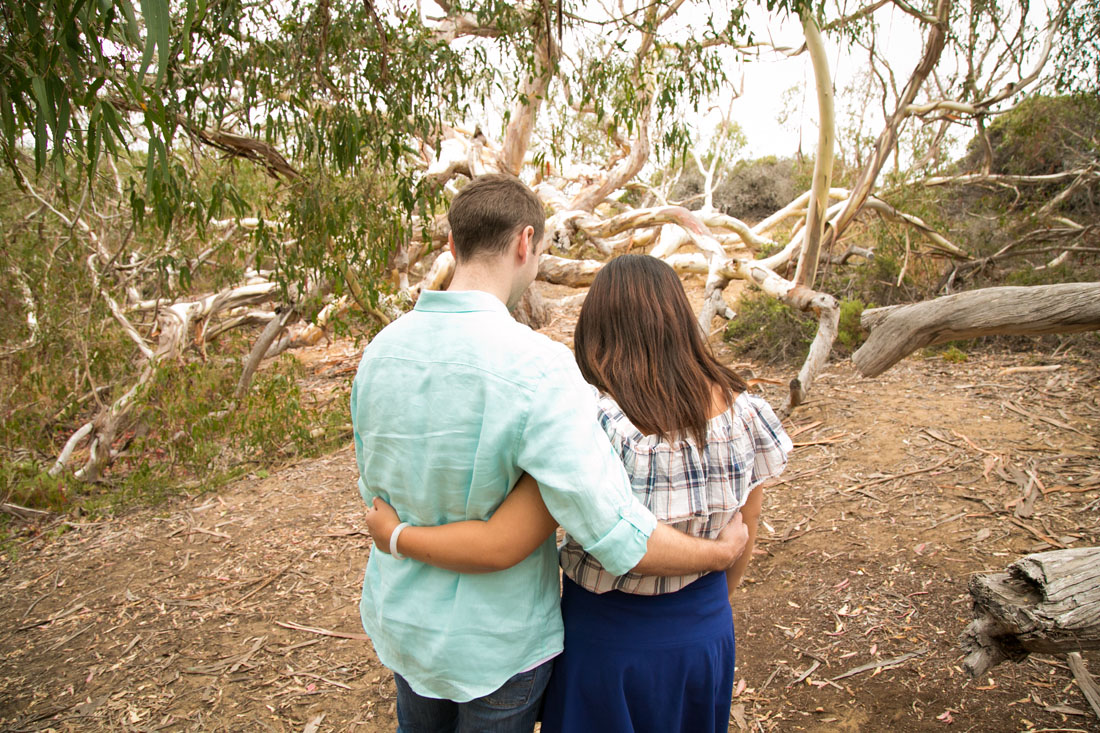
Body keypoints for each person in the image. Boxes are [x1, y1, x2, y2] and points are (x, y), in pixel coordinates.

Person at [350, 174, 749, 733]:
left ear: (452, 245)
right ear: (524, 242)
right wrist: (718, 554)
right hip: (497, 644)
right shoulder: (538, 366)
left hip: (404, 626)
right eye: (538, 254)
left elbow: (374, 487)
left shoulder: (379, 353)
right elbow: (613, 532)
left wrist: (396, 535)